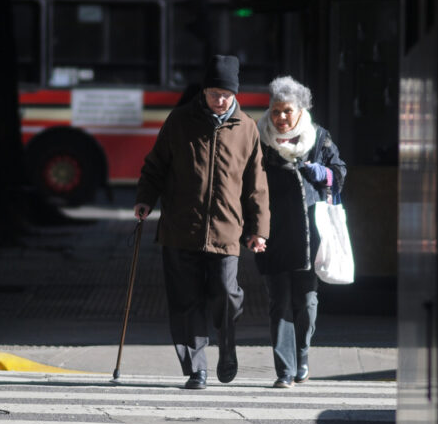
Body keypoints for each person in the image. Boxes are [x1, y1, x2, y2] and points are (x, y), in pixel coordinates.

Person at [134, 55, 270, 390]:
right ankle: (197, 369)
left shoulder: (247, 128)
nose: (219, 100)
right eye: (213, 93)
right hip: (181, 228)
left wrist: (258, 229)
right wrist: (145, 198)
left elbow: (256, 184)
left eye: (225, 94)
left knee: (226, 292)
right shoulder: (180, 120)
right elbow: (156, 165)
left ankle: (227, 341)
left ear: (235, 93)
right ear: (203, 91)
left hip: (227, 230)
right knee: (185, 301)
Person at [254, 76, 346, 388]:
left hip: (309, 235)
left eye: (287, 111)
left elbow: (339, 171)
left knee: (306, 302)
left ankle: (302, 354)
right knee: (278, 302)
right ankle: (284, 369)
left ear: (300, 110)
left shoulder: (318, 137)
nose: (280, 117)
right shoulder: (259, 138)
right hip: (272, 232)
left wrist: (324, 174)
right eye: (275, 111)